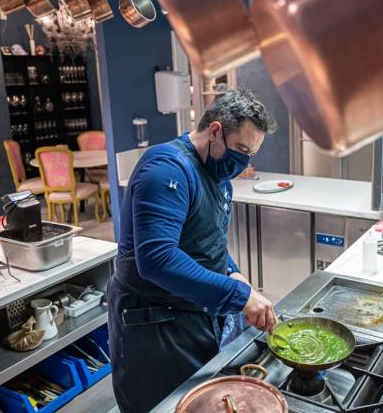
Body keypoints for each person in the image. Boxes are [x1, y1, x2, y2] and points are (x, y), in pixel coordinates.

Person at [107, 88, 278, 413]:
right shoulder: (165, 170)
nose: (243, 162)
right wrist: (239, 295)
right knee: (163, 405)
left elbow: (205, 238)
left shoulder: (217, 176)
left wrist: (232, 271)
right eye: (241, 149)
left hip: (192, 312)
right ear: (215, 130)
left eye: (251, 154)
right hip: (152, 323)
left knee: (198, 401)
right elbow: (157, 259)